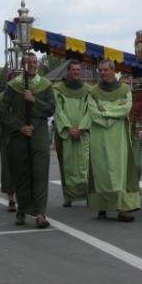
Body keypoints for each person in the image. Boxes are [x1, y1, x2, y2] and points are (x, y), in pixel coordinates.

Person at [0, 52, 55, 228]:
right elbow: (1, 112)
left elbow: (51, 109)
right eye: (29, 62)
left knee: (39, 174)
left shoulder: (45, 86)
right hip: (20, 137)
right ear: (23, 65)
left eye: (35, 62)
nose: (32, 65)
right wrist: (19, 126)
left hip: (39, 137)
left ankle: (39, 213)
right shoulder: (13, 86)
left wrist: (34, 100)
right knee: (22, 175)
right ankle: (21, 210)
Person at [87, 59, 140, 222]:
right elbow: (93, 112)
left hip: (118, 137)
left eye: (105, 70)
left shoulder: (125, 89)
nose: (102, 73)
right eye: (100, 70)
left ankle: (122, 208)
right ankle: (102, 207)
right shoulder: (93, 91)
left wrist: (105, 111)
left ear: (113, 70)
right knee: (101, 170)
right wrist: (111, 114)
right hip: (100, 135)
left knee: (119, 171)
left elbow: (126, 109)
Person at [53, 60, 91, 208]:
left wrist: (81, 128)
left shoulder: (88, 89)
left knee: (85, 165)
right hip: (66, 134)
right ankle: (68, 196)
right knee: (67, 165)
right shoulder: (59, 89)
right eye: (73, 70)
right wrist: (69, 128)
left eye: (78, 70)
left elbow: (90, 110)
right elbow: (58, 110)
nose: (76, 72)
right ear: (68, 71)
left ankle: (87, 194)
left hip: (83, 133)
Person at [0, 71, 17, 212]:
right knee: (8, 168)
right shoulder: (0, 98)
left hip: (23, 134)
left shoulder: (23, 96)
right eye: (12, 82)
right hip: (8, 135)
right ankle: (11, 198)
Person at [119, 75, 142, 181]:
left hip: (134, 135)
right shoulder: (114, 98)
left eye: (127, 84)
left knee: (137, 165)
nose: (125, 86)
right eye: (123, 84)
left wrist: (139, 130)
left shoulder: (137, 99)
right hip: (120, 136)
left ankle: (134, 186)